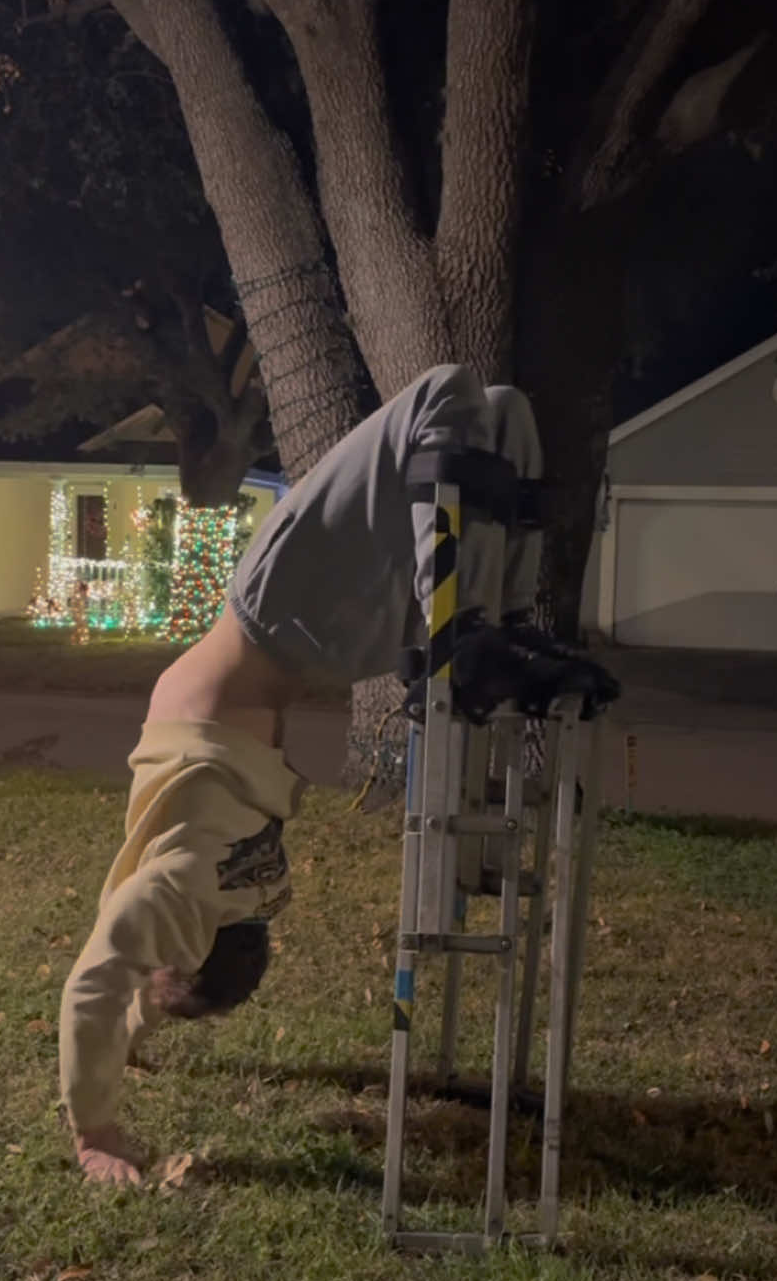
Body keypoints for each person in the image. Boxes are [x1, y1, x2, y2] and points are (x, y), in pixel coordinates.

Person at [58, 363, 618, 1185]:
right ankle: (492, 626)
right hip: (306, 649)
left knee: (448, 398)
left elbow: (102, 987)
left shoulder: (203, 892)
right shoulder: (209, 897)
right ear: (188, 956)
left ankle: (474, 627)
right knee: (502, 417)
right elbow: (133, 985)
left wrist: (94, 1128)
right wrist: (143, 1024)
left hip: (277, 612)